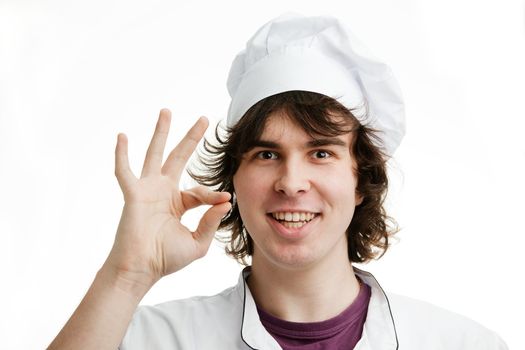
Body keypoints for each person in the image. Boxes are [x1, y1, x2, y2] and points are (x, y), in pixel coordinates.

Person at [49, 13, 508, 350]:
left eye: (321, 153)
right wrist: (126, 275)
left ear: (361, 179)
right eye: (267, 154)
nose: (291, 182)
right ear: (233, 180)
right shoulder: (149, 339)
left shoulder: (462, 342)